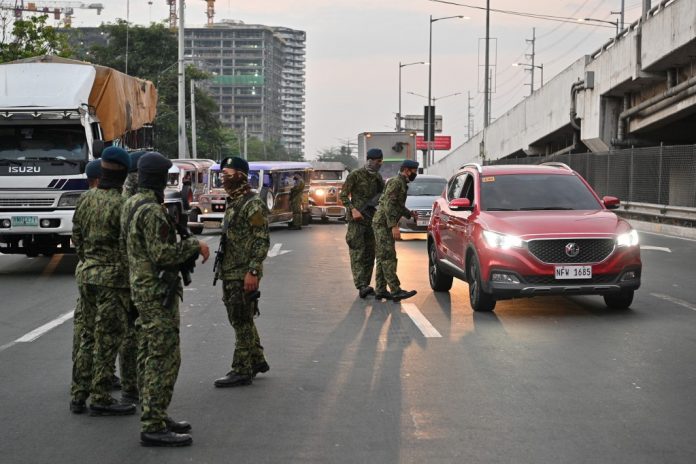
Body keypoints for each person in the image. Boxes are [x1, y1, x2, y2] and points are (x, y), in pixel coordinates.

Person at [122, 151, 210, 447]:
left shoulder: (132, 203)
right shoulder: (152, 211)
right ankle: (153, 425)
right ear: (161, 179)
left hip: (142, 288)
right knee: (164, 357)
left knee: (149, 353)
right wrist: (193, 246)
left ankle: (156, 413)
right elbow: (162, 254)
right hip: (157, 292)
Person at [70, 147, 136, 416]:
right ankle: (100, 396)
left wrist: (89, 260)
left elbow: (77, 237)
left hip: (87, 274)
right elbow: (128, 247)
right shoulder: (124, 204)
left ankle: (78, 394)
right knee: (108, 339)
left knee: (87, 336)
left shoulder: (85, 199)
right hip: (113, 280)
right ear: (123, 175)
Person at [213, 156, 271, 388]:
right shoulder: (235, 201)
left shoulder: (251, 204)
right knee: (241, 317)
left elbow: (261, 240)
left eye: (226, 173)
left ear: (240, 175)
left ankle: (241, 369)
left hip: (242, 272)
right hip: (230, 270)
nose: (223, 178)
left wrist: (253, 271)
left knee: (241, 319)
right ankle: (256, 359)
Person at [339, 148, 386, 299]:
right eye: (378, 161)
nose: (380, 164)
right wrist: (353, 210)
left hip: (371, 218)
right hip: (357, 220)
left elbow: (382, 194)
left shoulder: (378, 177)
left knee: (370, 253)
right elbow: (343, 195)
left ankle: (365, 284)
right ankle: (361, 285)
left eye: (381, 161)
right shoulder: (355, 175)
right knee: (357, 252)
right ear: (370, 160)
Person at [372, 159, 420, 302]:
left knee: (382, 257)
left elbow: (397, 205)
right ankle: (395, 290)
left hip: (382, 222)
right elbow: (388, 205)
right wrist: (394, 226)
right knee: (388, 257)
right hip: (383, 223)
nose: (415, 174)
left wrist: (409, 214)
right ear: (406, 170)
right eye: (414, 171)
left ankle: (380, 290)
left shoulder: (401, 183)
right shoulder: (396, 182)